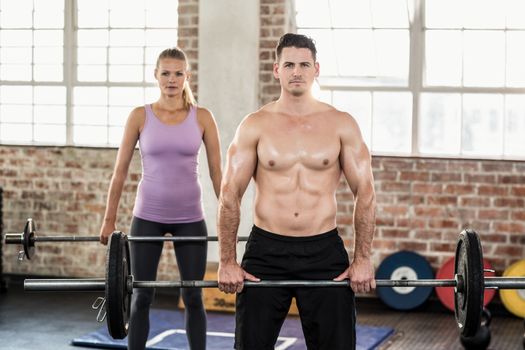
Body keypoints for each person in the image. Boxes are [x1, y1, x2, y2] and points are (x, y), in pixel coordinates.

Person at [217, 33, 376, 349]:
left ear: (317, 69)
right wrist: (227, 260)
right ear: (276, 69)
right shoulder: (256, 125)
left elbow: (366, 193)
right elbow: (229, 192)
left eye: (304, 64)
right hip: (266, 251)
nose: (297, 72)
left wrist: (363, 258)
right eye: (289, 64)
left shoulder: (341, 123)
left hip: (324, 251)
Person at [99, 47, 222, 350]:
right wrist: (109, 221)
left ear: (187, 76)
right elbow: (120, 172)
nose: (171, 79)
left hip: (190, 218)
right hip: (148, 217)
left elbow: (219, 175)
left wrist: (228, 222)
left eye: (178, 73)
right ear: (155, 75)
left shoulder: (203, 117)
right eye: (165, 73)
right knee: (142, 295)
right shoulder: (140, 116)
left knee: (193, 295)